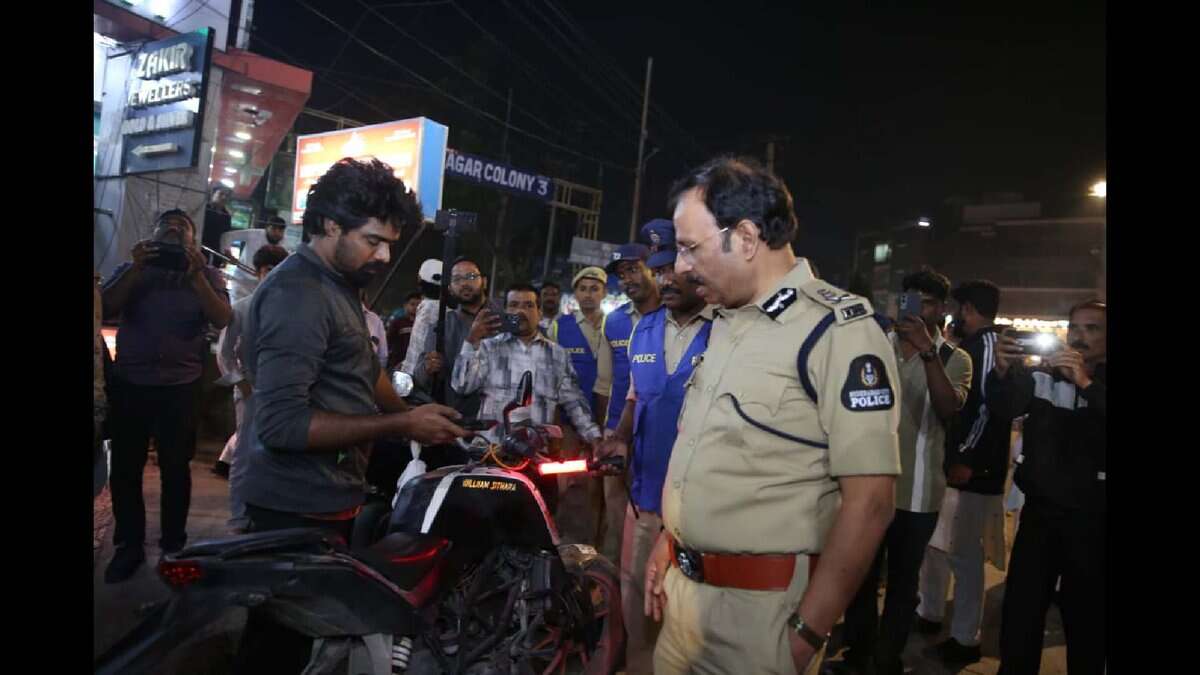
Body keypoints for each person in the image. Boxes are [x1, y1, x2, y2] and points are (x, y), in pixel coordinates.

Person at [640, 156, 900, 675]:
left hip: (761, 622)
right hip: (680, 602)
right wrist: (671, 543)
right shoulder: (724, 320)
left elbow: (870, 503)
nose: (682, 265)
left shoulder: (837, 331)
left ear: (746, 236)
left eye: (691, 247)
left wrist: (806, 632)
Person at [232, 158, 466, 674]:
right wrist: (401, 426)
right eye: (373, 240)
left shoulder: (339, 283)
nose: (384, 255)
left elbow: (362, 367)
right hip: (289, 507)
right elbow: (283, 426)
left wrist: (413, 412)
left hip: (326, 498)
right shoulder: (300, 296)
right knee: (278, 651)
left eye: (389, 243)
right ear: (330, 226)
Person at [839, 269, 973, 675]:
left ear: (941, 309)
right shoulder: (877, 345)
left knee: (901, 587)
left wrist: (927, 352)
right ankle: (856, 656)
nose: (915, 308)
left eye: (926, 302)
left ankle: (885, 661)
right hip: (868, 486)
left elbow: (949, 410)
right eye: (909, 299)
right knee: (858, 580)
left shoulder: (954, 357)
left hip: (917, 494)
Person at [598, 218, 714, 675]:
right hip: (643, 500)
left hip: (696, 509)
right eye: (658, 270)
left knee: (688, 613)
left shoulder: (723, 330)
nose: (663, 280)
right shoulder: (644, 329)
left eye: (672, 270)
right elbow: (633, 397)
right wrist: (620, 438)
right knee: (635, 604)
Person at [101, 208, 233, 583]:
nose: (175, 230)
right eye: (167, 226)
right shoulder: (134, 269)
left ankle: (174, 546)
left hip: (180, 388)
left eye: (183, 227)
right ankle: (129, 546)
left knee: (177, 469)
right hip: (131, 384)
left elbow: (222, 318)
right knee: (126, 470)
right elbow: (107, 307)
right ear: (153, 235)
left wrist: (196, 278)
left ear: (193, 241)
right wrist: (135, 267)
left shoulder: (206, 274)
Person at [990, 301, 1106, 675]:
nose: (1080, 336)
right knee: (1021, 613)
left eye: (1092, 328)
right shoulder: (1043, 373)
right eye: (1075, 327)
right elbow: (1004, 408)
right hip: (1040, 513)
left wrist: (1086, 384)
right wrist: (1004, 372)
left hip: (1092, 519)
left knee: (1086, 620)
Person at [917, 279, 1013, 666]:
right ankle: (931, 613)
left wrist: (966, 460)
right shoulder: (971, 345)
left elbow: (985, 410)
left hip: (973, 472)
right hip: (959, 466)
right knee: (940, 547)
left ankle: (966, 637)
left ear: (970, 309)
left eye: (959, 308)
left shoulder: (987, 347)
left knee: (964, 555)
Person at [452, 282, 605, 512]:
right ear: (505, 312)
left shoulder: (557, 355)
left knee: (536, 532)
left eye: (528, 305)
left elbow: (574, 403)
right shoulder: (488, 348)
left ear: (539, 312)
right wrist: (472, 340)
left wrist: (595, 439)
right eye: (513, 305)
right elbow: (461, 385)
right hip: (491, 456)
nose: (521, 311)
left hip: (537, 459)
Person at [213, 245, 289, 532]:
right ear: (258, 273)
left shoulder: (292, 310)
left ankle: (267, 515)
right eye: (267, 270)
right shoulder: (242, 308)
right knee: (244, 456)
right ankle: (238, 517)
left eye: (277, 270)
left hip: (283, 392)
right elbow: (224, 354)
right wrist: (241, 383)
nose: (272, 275)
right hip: (250, 391)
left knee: (278, 454)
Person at [596, 239, 657, 560]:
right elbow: (605, 384)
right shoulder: (614, 320)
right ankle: (610, 592)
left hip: (658, 433)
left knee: (651, 521)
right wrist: (605, 432)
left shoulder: (671, 317)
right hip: (617, 434)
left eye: (633, 270)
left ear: (655, 269)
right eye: (621, 274)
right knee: (615, 516)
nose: (627, 280)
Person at [548, 266, 614, 546]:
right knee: (571, 487)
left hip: (609, 422)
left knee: (603, 489)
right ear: (575, 293)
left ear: (604, 293)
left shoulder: (616, 326)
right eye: (583, 289)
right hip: (570, 426)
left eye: (595, 288)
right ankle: (569, 549)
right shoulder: (558, 327)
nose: (588, 294)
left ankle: (596, 552)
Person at [412, 257, 499, 416]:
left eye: (471, 277)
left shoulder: (504, 320)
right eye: (457, 279)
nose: (465, 283)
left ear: (484, 282)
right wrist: (428, 367)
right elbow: (418, 377)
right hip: (459, 421)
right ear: (450, 288)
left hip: (501, 421)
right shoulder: (441, 327)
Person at [399, 258, 444, 376]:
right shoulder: (448, 309)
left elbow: (418, 351)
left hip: (418, 379)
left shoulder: (427, 309)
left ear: (419, 280)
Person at [386, 291, 423, 370]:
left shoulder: (424, 324)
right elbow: (388, 342)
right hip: (398, 365)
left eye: (419, 305)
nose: (416, 307)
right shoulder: (397, 323)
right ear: (405, 306)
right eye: (412, 304)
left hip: (417, 365)